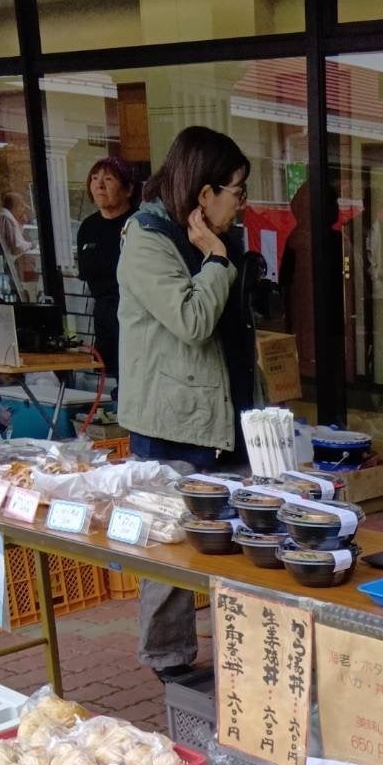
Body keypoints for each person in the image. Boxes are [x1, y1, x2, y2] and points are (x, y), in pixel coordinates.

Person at [117, 125, 252, 682]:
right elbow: (192, 321)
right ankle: (169, 661)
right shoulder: (147, 239)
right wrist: (216, 259)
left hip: (226, 414)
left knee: (241, 540)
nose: (241, 203)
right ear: (204, 193)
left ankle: (246, 655)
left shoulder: (213, 237)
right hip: (172, 422)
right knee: (170, 548)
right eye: (236, 191)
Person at [76, 157, 136, 378]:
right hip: (103, 318)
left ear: (128, 189)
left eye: (108, 179)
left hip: (135, 316)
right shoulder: (88, 227)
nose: (99, 185)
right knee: (108, 378)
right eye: (94, 178)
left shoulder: (138, 225)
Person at [0, 191, 37, 291]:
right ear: (15, 206)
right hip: (4, 266)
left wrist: (21, 224)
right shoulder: (7, 219)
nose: (23, 209)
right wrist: (31, 245)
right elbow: (16, 248)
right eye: (22, 206)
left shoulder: (6, 218)